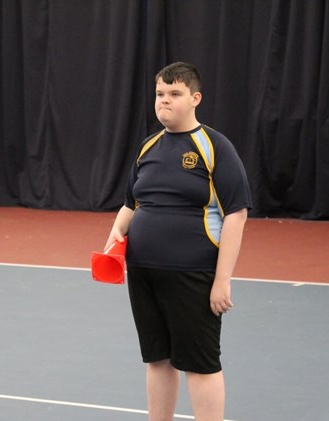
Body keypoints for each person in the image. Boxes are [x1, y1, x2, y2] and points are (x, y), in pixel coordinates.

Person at [104, 62, 252, 421]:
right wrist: (114, 233)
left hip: (194, 275)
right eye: (159, 94)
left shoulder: (215, 146)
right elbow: (131, 202)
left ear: (195, 98)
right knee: (157, 359)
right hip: (144, 273)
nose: (164, 101)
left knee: (200, 364)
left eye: (174, 94)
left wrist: (222, 279)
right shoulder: (148, 147)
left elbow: (236, 213)